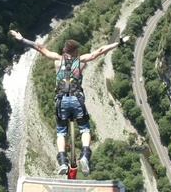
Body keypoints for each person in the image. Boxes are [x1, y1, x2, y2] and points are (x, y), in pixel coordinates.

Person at [9, 29, 130, 176]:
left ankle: (62, 162)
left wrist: (21, 39)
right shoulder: (81, 62)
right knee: (85, 129)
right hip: (77, 99)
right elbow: (100, 50)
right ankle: (85, 155)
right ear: (76, 51)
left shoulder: (57, 60)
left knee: (61, 132)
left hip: (61, 101)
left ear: (64, 50)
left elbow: (39, 47)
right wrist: (120, 43)